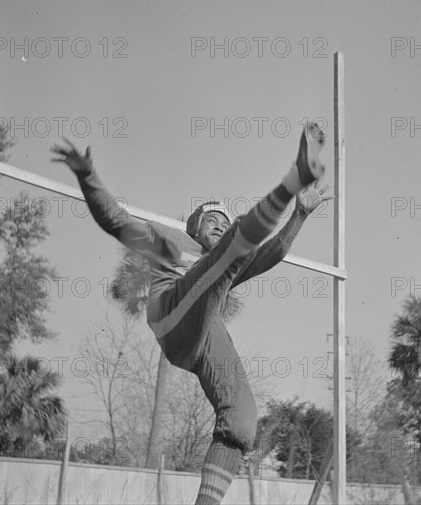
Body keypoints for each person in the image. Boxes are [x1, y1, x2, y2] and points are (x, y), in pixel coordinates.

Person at [51, 122, 331, 504]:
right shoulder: (169, 242)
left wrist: (299, 215)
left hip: (202, 334)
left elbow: (273, 253)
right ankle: (294, 177)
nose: (220, 223)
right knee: (230, 255)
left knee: (243, 419)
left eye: (225, 221)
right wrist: (88, 176)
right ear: (195, 228)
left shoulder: (223, 267)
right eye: (212, 220)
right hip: (172, 312)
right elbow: (114, 220)